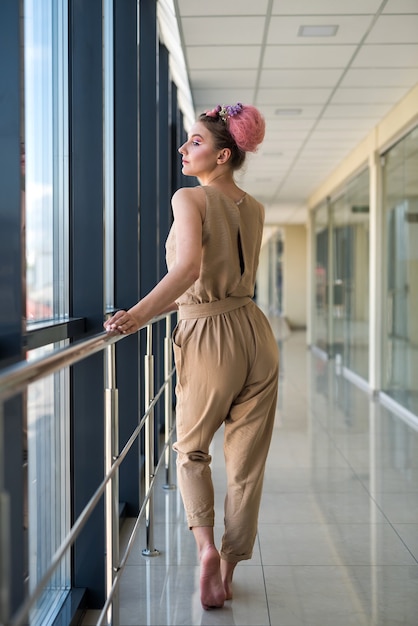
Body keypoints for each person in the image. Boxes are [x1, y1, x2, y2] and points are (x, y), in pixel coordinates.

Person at [104, 102, 279, 610]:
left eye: (195, 142)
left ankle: (205, 549)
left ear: (223, 155)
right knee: (247, 463)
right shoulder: (256, 206)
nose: (184, 149)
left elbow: (186, 271)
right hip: (256, 330)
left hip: (209, 331)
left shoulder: (191, 198)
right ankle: (226, 569)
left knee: (191, 450)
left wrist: (135, 315)